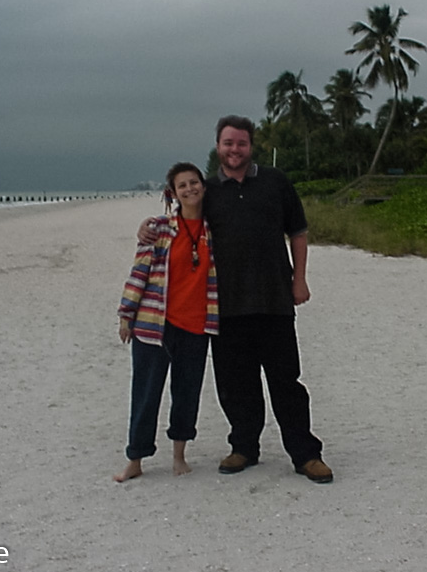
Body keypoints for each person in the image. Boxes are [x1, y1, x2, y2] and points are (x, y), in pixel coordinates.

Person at [138, 115, 332, 484]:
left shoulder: (275, 182)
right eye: (228, 143)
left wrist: (300, 280)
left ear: (250, 146)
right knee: (234, 383)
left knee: (286, 381)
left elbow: (299, 233)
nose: (234, 150)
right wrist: (147, 227)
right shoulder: (208, 191)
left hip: (275, 300)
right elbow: (182, 223)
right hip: (224, 306)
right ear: (218, 146)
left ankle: (306, 453)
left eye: (241, 143)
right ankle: (244, 446)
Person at [114, 162, 219, 481]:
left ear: (203, 185)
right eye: (182, 186)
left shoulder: (216, 229)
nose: (190, 189)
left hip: (197, 326)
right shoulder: (158, 228)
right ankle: (136, 459)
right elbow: (139, 273)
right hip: (153, 324)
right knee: (145, 394)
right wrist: (125, 314)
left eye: (194, 182)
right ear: (172, 193)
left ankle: (179, 455)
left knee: (187, 393)